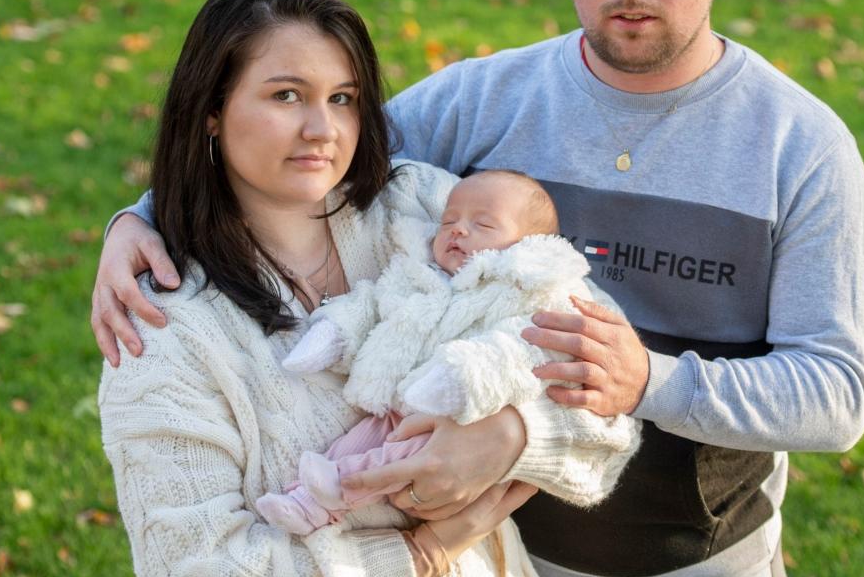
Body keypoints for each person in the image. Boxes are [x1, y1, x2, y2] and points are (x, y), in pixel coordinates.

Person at [93, 0, 864, 577]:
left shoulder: (799, 147)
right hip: (502, 550)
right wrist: (141, 218)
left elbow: (836, 394)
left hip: (698, 564)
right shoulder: (482, 102)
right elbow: (309, 158)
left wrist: (648, 382)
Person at [97, 0, 639, 577]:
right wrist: (422, 554)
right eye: (285, 96)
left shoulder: (429, 210)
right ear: (211, 111)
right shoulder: (162, 330)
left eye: (342, 98)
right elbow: (195, 571)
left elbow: (606, 392)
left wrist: (513, 435)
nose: (322, 130)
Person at [256, 170, 640, 536]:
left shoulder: (525, 291)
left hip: (462, 419)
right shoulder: (420, 273)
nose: (458, 229)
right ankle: (305, 503)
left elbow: (519, 346)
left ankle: (339, 490)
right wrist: (335, 333)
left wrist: (460, 377)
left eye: (483, 225)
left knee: (395, 458)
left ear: (528, 246)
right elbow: (373, 304)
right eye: (448, 221)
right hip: (397, 403)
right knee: (353, 442)